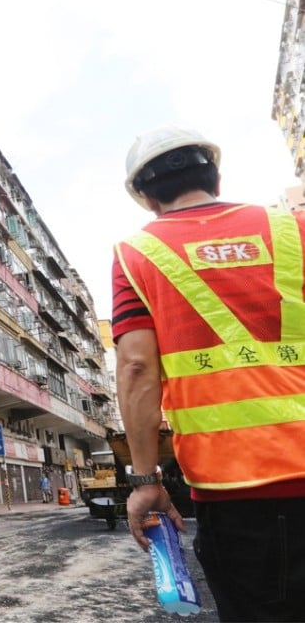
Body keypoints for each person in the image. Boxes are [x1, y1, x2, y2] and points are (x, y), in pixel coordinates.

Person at [112, 126, 305, 622]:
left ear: (148, 198)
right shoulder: (294, 228)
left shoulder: (137, 254)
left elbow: (137, 366)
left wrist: (144, 479)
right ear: (215, 177)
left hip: (241, 491)